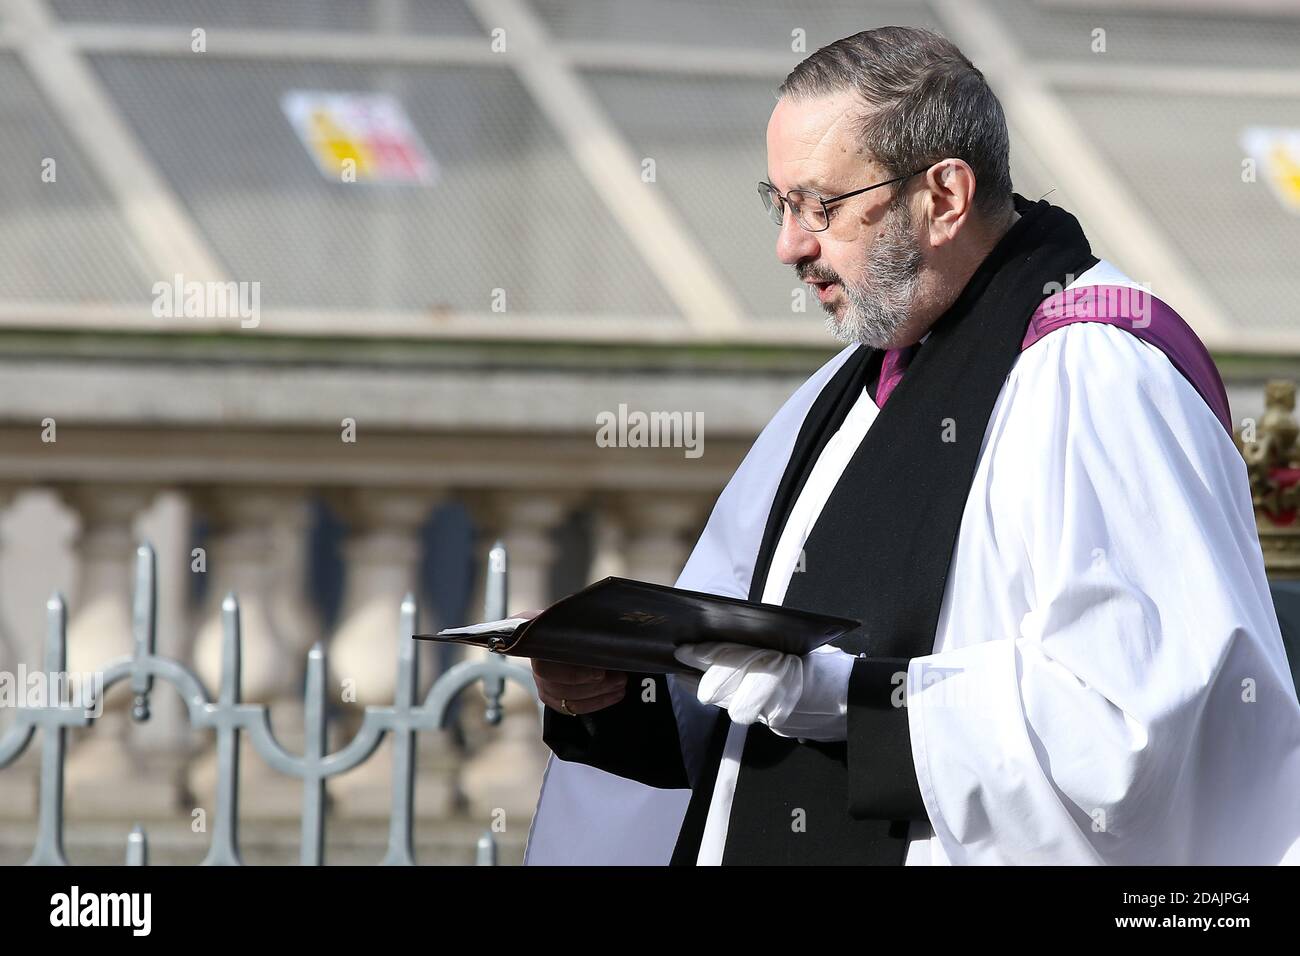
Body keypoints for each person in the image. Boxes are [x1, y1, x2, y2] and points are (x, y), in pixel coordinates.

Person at [522, 26, 1300, 865]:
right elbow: (731, 670)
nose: (790, 245)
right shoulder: (849, 385)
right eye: (778, 203)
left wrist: (853, 697)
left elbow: (1131, 732)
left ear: (945, 196)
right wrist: (610, 691)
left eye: (821, 205)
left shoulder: (1096, 375)